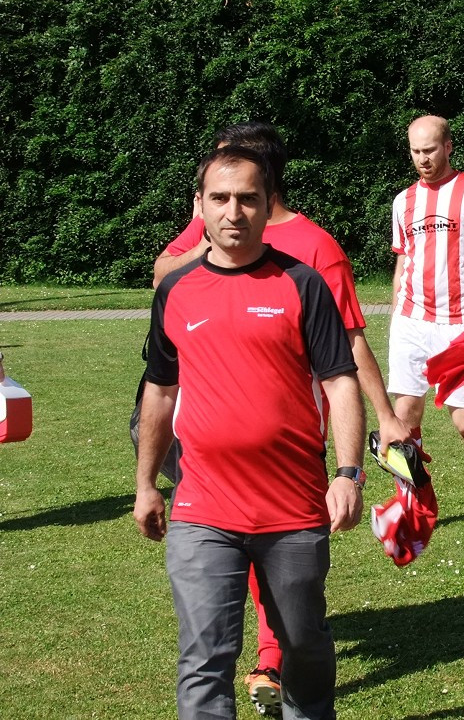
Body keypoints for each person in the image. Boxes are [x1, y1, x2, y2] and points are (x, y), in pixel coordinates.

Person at [152, 122, 409, 712]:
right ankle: (267, 658)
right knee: (204, 655)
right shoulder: (186, 277)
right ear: (203, 199)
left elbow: (347, 351)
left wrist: (361, 451)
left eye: (245, 196)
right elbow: (161, 375)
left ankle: (281, 664)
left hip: (291, 493)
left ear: (269, 197)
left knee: (305, 642)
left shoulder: (312, 262)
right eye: (218, 196)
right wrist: (145, 481)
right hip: (206, 499)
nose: (232, 210)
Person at [389, 115, 464, 512]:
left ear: (448, 147)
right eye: (415, 152)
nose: (422, 159)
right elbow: (403, 261)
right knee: (405, 415)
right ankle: (413, 496)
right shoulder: (402, 201)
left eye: (429, 150)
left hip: (460, 324)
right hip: (411, 321)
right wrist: (396, 312)